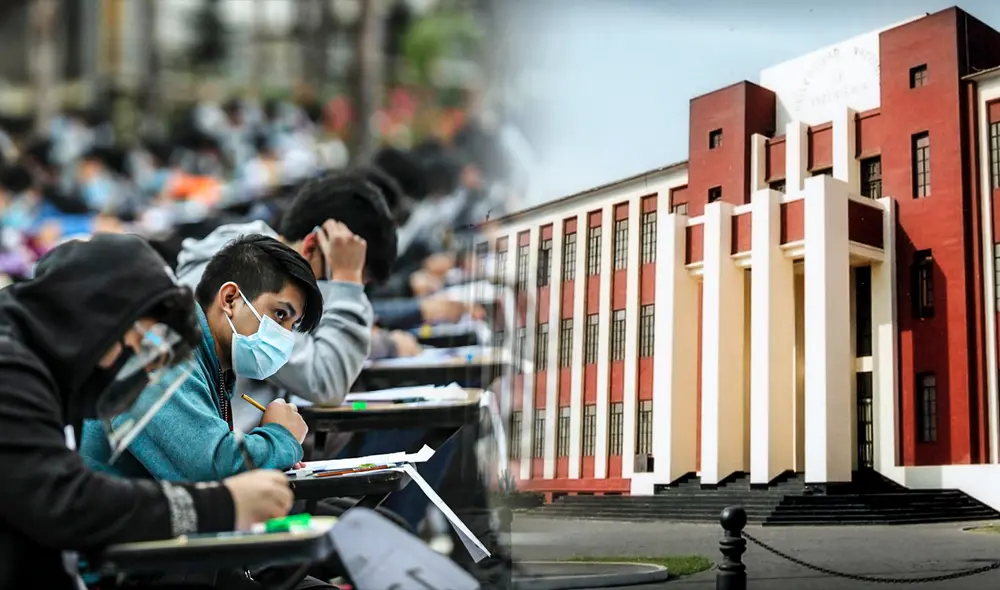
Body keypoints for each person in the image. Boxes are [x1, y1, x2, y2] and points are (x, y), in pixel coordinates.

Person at [0, 234, 295, 589]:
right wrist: (222, 503)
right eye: (137, 343)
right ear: (100, 318)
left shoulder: (46, 369)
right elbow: (67, 502)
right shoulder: (11, 370)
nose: (128, 363)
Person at [81, 234, 323, 480]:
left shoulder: (204, 359)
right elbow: (210, 469)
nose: (285, 335)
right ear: (230, 299)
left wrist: (272, 452)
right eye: (280, 314)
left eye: (292, 325)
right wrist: (280, 437)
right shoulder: (164, 349)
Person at [172, 171, 395, 433]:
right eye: (282, 316)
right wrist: (346, 282)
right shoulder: (252, 283)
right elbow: (327, 381)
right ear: (312, 245)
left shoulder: (267, 283)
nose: (286, 333)